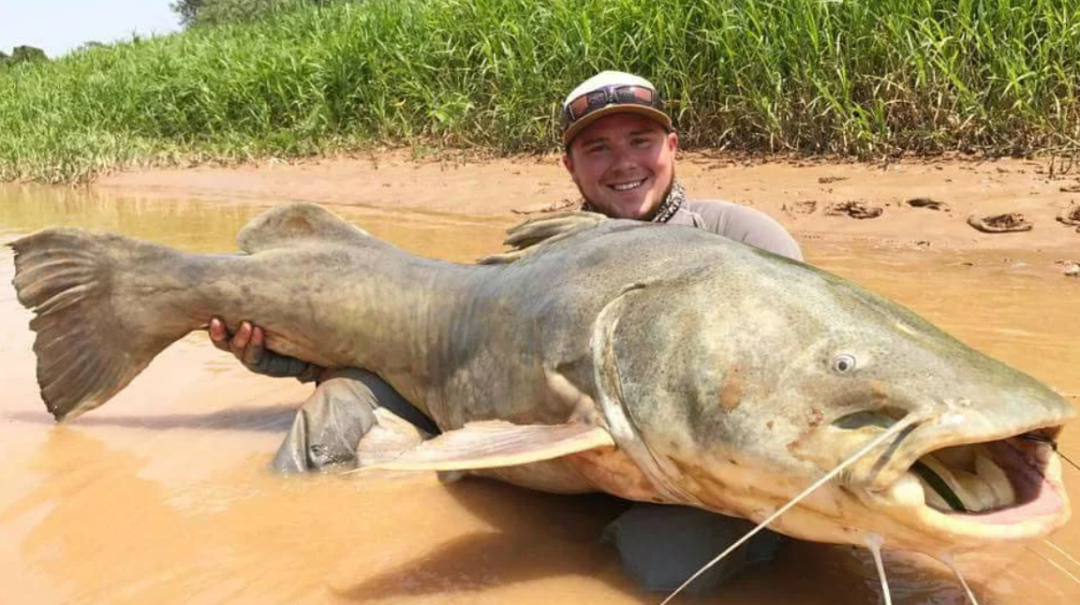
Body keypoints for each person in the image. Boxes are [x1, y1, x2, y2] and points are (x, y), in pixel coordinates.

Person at [209, 70, 800, 594]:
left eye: (640, 141)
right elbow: (438, 350)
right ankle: (297, 565)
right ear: (570, 166)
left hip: (683, 471)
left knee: (664, 568)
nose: (623, 163)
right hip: (543, 456)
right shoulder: (540, 259)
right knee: (338, 405)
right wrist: (285, 358)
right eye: (597, 148)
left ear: (672, 147)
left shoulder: (745, 241)